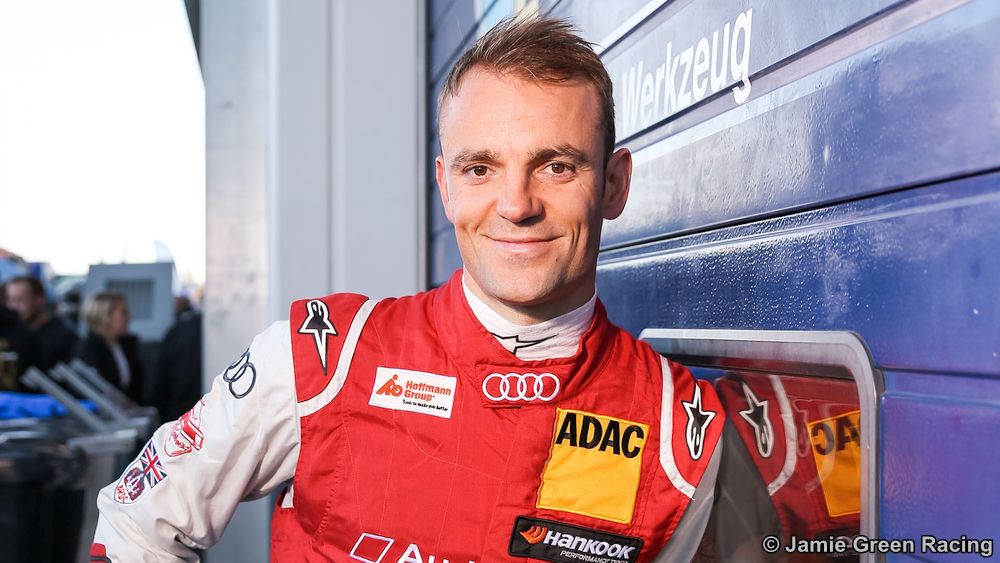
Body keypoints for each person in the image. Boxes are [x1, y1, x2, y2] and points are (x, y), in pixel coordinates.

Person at [92, 16, 725, 563]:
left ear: (614, 185)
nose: (516, 205)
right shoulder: (323, 360)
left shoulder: (679, 428)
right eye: (481, 169)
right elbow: (136, 525)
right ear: (445, 186)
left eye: (556, 166)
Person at [76, 292, 145, 404]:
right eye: (123, 313)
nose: (129, 318)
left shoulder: (126, 345)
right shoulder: (88, 350)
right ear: (106, 316)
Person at [3, 275, 78, 372]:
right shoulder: (12, 334)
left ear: (40, 300)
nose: (12, 306)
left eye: (19, 300)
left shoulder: (65, 338)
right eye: (9, 300)